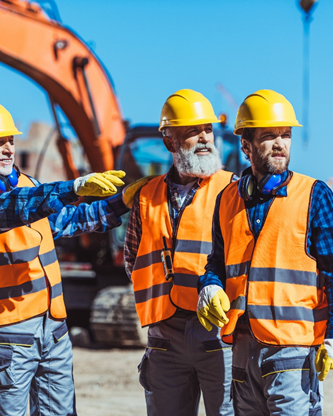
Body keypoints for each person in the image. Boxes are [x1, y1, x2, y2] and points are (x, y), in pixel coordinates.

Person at [0, 100, 144, 416]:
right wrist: (72, 187)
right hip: (10, 340)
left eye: (11, 140)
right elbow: (12, 209)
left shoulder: (28, 186)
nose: (8, 149)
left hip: (55, 333)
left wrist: (120, 205)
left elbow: (68, 221)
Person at [196, 90, 333, 415]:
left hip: (293, 347)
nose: (280, 144)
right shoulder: (227, 199)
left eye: (285, 135)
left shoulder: (313, 195)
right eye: (269, 136)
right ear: (246, 146)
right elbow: (217, 263)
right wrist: (209, 285)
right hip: (242, 346)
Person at [124, 89, 235, 416]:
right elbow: (134, 261)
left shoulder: (233, 190)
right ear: (170, 141)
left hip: (219, 333)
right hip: (165, 338)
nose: (204, 139)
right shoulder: (146, 195)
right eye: (192, 132)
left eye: (208, 130)